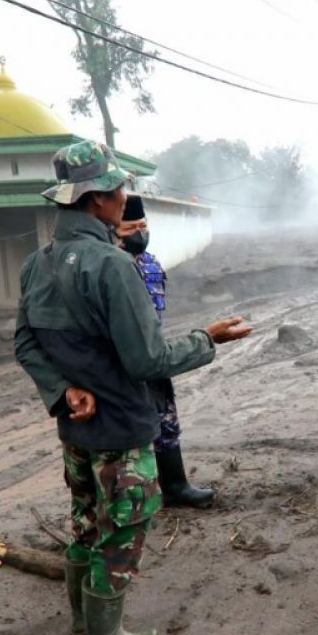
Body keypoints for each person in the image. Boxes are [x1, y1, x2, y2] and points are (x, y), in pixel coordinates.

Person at [14, 140, 251, 635]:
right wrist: (208, 338)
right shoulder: (112, 267)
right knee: (120, 534)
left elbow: (25, 344)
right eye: (119, 189)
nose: (125, 198)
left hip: (74, 431)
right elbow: (149, 359)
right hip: (120, 430)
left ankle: (81, 621)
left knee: (84, 524)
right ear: (97, 199)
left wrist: (61, 390)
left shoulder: (38, 264)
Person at [117, 194, 215, 508]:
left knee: (165, 420)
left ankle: (175, 486)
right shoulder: (109, 267)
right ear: (113, 229)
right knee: (128, 431)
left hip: (153, 354)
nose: (140, 232)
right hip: (121, 363)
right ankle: (130, 498)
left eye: (143, 225)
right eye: (131, 226)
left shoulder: (150, 263)